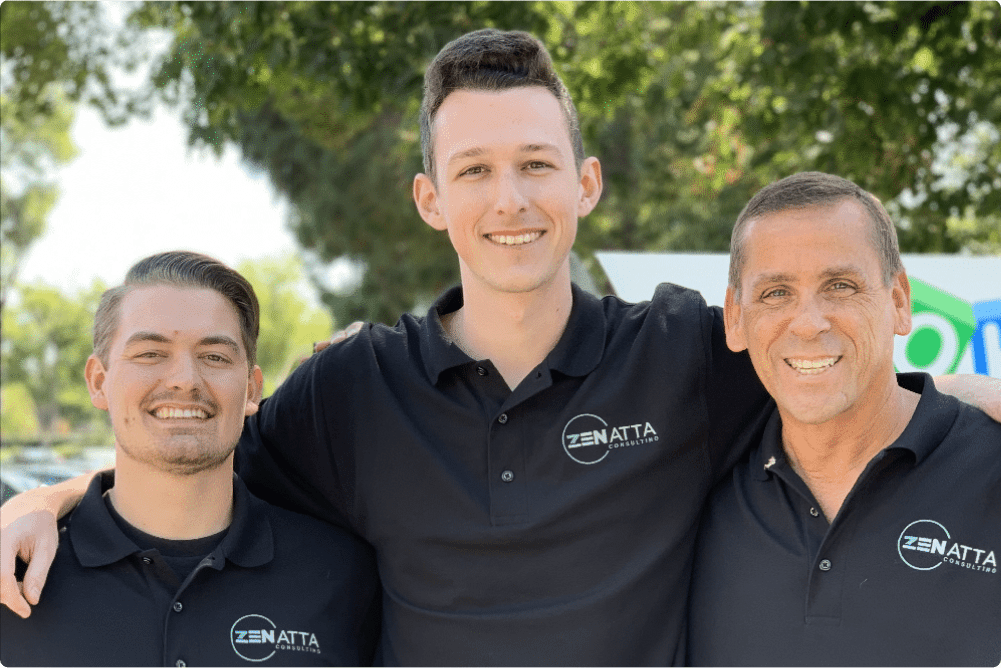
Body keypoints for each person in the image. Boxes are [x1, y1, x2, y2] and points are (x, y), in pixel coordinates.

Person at [2, 31, 998, 667]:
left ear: (585, 183)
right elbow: (193, 451)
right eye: (473, 169)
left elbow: (841, 368)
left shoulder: (685, 354)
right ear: (431, 199)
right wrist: (47, 496)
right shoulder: (350, 391)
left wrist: (968, 389)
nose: (509, 198)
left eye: (534, 164)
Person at [0, 252, 381, 667]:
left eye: (214, 356)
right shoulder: (12, 572)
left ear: (252, 390)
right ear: (98, 382)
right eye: (150, 353)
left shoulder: (343, 575)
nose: (184, 379)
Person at [686, 172, 1001, 667]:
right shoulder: (696, 486)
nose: (809, 322)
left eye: (840, 286)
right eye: (775, 293)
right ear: (735, 317)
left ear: (899, 301)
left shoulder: (990, 464)